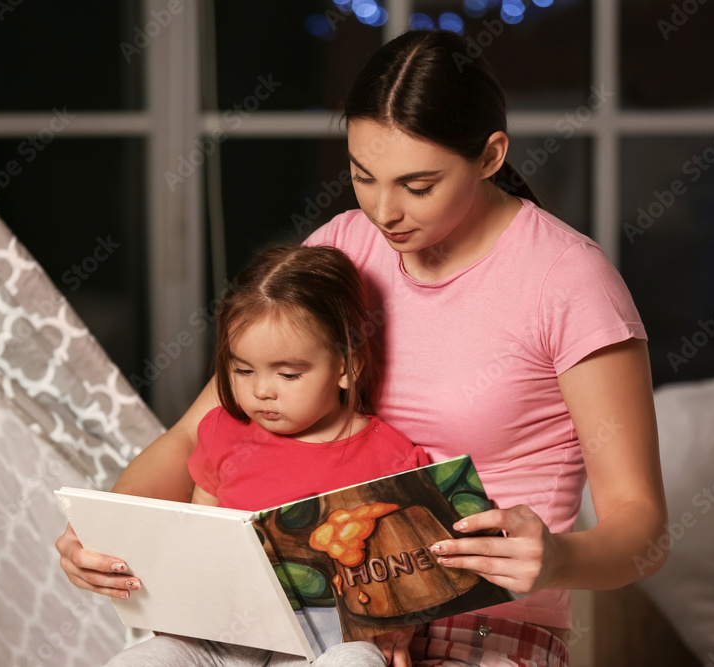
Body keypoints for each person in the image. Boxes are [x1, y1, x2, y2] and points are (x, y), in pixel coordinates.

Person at [57, 29, 668, 667]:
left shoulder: (567, 280)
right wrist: (103, 534)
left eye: (418, 185)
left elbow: (643, 531)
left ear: (490, 156)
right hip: (308, 614)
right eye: (362, 177)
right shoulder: (344, 246)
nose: (384, 211)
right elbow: (199, 432)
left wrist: (557, 557)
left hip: (481, 626)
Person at [107, 245, 429, 666]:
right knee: (143, 659)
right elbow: (200, 533)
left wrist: (400, 623)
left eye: (288, 374)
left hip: (335, 637)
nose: (262, 390)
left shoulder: (390, 455)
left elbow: (415, 569)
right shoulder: (223, 431)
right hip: (227, 633)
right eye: (243, 370)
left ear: (347, 367)